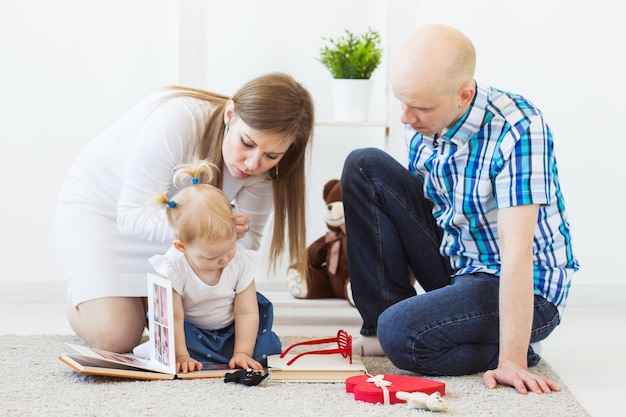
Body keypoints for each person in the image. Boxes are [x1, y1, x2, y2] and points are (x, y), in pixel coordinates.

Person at [341, 24, 579, 395]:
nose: (405, 117)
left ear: (464, 95)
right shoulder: (423, 117)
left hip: (522, 286)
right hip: (459, 263)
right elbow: (413, 209)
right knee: (364, 165)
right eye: (401, 102)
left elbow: (518, 250)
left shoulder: (518, 128)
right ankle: (381, 328)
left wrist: (511, 360)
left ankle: (518, 349)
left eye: (418, 107)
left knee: (402, 335)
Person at [55, 72, 314, 353]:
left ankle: (137, 299)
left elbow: (245, 247)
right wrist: (203, 229)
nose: (252, 163)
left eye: (272, 155)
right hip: (102, 211)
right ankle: (83, 293)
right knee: (116, 337)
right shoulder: (178, 122)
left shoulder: (266, 171)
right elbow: (131, 215)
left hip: (178, 240)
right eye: (247, 143)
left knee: (195, 329)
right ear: (230, 114)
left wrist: (222, 234)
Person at [149, 160, 281, 372]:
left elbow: (246, 313)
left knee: (261, 341)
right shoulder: (174, 266)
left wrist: (242, 353)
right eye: (212, 257)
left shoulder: (239, 261)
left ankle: (233, 353)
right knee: (166, 325)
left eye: (229, 249)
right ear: (182, 246)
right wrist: (181, 355)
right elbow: (173, 317)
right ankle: (189, 354)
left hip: (232, 329)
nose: (224, 260)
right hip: (190, 329)